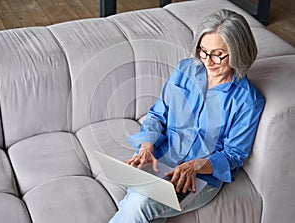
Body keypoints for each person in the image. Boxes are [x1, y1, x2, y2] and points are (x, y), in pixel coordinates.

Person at [109, 9, 265, 223]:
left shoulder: (248, 100)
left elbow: (233, 155)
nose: (208, 61)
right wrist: (146, 146)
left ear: (239, 52)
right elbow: (158, 115)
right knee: (141, 204)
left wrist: (196, 165)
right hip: (160, 160)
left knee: (139, 202)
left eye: (218, 55)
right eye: (203, 51)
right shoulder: (185, 70)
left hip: (199, 178)